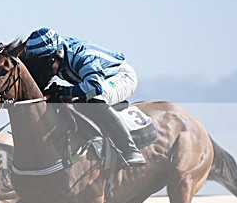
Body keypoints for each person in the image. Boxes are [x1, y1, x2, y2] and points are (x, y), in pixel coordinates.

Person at [24, 27, 146, 166]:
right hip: (93, 79)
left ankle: (130, 150)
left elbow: (95, 87)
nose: (44, 69)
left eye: (45, 63)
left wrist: (66, 91)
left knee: (94, 99)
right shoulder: (54, 55)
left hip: (120, 77)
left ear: (57, 53)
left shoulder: (82, 56)